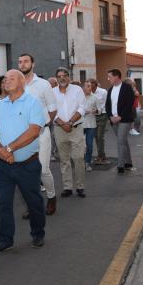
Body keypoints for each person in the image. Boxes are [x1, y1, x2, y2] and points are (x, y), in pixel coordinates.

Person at [0, 69, 46, 254]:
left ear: (22, 82)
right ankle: (5, 239)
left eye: (11, 78)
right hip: (3, 166)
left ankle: (38, 234)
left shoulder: (33, 103)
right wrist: (0, 151)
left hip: (27, 165)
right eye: (5, 78)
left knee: (33, 201)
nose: (6, 80)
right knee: (4, 203)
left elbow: (34, 131)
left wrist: (9, 148)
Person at [18, 53, 58, 215]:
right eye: (20, 62)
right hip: (22, 136)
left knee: (42, 169)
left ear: (33, 64)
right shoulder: (16, 85)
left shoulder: (43, 85)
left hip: (41, 134)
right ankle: (32, 204)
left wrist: (45, 124)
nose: (22, 64)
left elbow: (53, 109)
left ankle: (51, 197)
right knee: (26, 172)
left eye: (26, 61)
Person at [53, 67, 87, 197]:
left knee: (78, 158)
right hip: (59, 129)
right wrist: (63, 124)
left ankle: (80, 186)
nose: (62, 78)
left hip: (76, 128)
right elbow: (51, 110)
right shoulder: (52, 92)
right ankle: (67, 187)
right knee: (64, 159)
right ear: (56, 79)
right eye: (59, 76)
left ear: (69, 77)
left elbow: (82, 107)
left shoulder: (77, 90)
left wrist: (71, 122)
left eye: (64, 75)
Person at [106, 69, 136, 174]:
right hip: (113, 120)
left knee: (120, 141)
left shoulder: (127, 88)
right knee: (123, 141)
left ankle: (121, 165)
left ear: (117, 77)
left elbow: (129, 103)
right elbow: (107, 105)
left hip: (125, 119)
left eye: (110, 76)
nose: (108, 79)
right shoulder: (110, 89)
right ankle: (129, 162)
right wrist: (110, 116)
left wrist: (120, 116)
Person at [88, 78, 109, 163]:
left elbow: (107, 103)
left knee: (100, 136)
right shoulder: (88, 92)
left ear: (94, 84)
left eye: (90, 85)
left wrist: (99, 110)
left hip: (102, 115)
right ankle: (101, 155)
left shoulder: (103, 92)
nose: (88, 87)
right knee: (96, 136)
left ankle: (101, 156)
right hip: (92, 116)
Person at [83, 82, 98, 172]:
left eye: (91, 86)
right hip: (80, 124)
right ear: (83, 88)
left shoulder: (95, 97)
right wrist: (84, 112)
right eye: (88, 86)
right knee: (79, 145)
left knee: (89, 145)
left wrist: (95, 111)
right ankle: (80, 162)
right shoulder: (79, 97)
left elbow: (99, 110)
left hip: (91, 124)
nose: (90, 88)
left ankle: (87, 162)